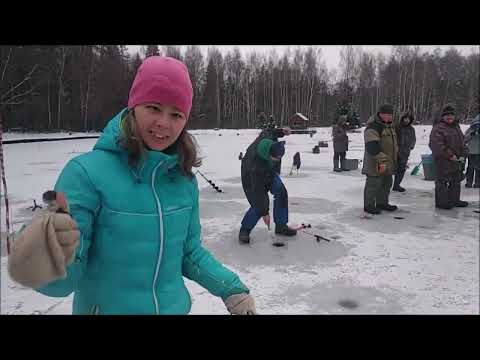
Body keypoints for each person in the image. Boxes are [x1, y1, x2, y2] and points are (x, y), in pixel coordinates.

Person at [8, 56, 256, 315]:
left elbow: (188, 252)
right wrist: (43, 256)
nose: (164, 123)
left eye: (176, 114)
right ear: (134, 106)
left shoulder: (183, 179)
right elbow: (63, 281)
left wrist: (231, 288)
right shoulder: (86, 174)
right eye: (153, 108)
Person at [239, 128, 296, 244]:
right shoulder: (255, 167)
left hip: (268, 170)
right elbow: (258, 192)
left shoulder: (268, 139)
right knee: (260, 203)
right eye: (276, 158)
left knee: (281, 191)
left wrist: (281, 131)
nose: (278, 160)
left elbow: (269, 131)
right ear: (268, 154)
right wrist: (265, 213)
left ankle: (281, 226)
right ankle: (245, 229)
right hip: (249, 176)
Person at [429, 104, 469, 209]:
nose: (449, 117)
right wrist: (450, 155)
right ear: (443, 117)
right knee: (442, 182)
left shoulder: (456, 127)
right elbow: (436, 144)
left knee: (456, 181)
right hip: (443, 160)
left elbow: (463, 142)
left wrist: (464, 152)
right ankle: (442, 203)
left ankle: (454, 200)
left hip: (457, 161)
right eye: (447, 115)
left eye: (451, 115)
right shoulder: (438, 128)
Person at [362, 104, 399, 215]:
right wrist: (382, 160)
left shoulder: (390, 127)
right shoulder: (373, 127)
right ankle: (369, 205)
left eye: (390, 115)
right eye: (386, 114)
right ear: (380, 114)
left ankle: (382, 203)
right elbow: (372, 146)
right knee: (374, 184)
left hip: (388, 162)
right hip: (375, 162)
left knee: (386, 183)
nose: (388, 117)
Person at [392, 112, 416, 192]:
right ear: (402, 118)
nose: (406, 120)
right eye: (405, 118)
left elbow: (413, 139)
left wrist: (411, 146)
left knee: (401, 169)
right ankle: (385, 185)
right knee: (392, 169)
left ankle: (396, 185)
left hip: (405, 152)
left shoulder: (411, 129)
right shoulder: (397, 127)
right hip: (395, 151)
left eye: (408, 119)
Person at [464, 114, 480, 188]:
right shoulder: (470, 130)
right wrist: (471, 134)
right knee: (470, 167)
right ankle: (469, 182)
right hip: (471, 152)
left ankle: (477, 183)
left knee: (478, 168)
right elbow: (464, 140)